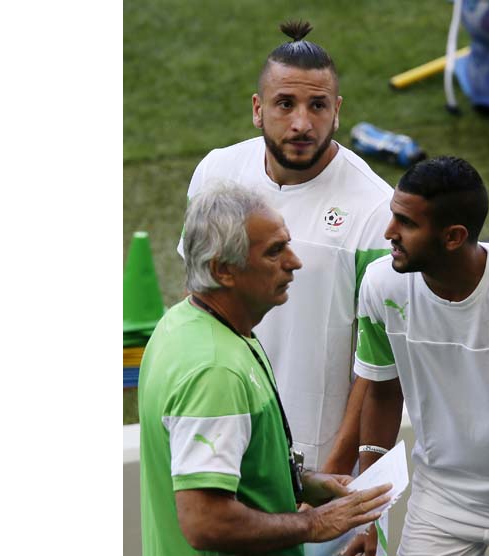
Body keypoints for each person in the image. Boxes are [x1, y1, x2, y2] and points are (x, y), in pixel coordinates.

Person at [177, 20, 393, 475]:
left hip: (318, 462)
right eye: (285, 104)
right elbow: (193, 299)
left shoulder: (376, 211)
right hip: (220, 435)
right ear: (258, 109)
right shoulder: (217, 173)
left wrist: (336, 472)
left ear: (337, 111)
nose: (301, 123)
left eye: (317, 106)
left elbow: (377, 366)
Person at [139, 183, 392, 556]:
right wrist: (315, 523)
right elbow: (206, 521)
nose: (295, 261)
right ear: (223, 270)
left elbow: (235, 469)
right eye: (275, 251)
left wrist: (305, 484)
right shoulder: (215, 372)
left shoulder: (185, 323)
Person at [348, 156, 489, 555]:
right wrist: (368, 510)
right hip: (442, 501)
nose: (389, 232)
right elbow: (382, 393)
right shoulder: (383, 285)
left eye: (407, 223)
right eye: (392, 216)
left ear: (453, 237)